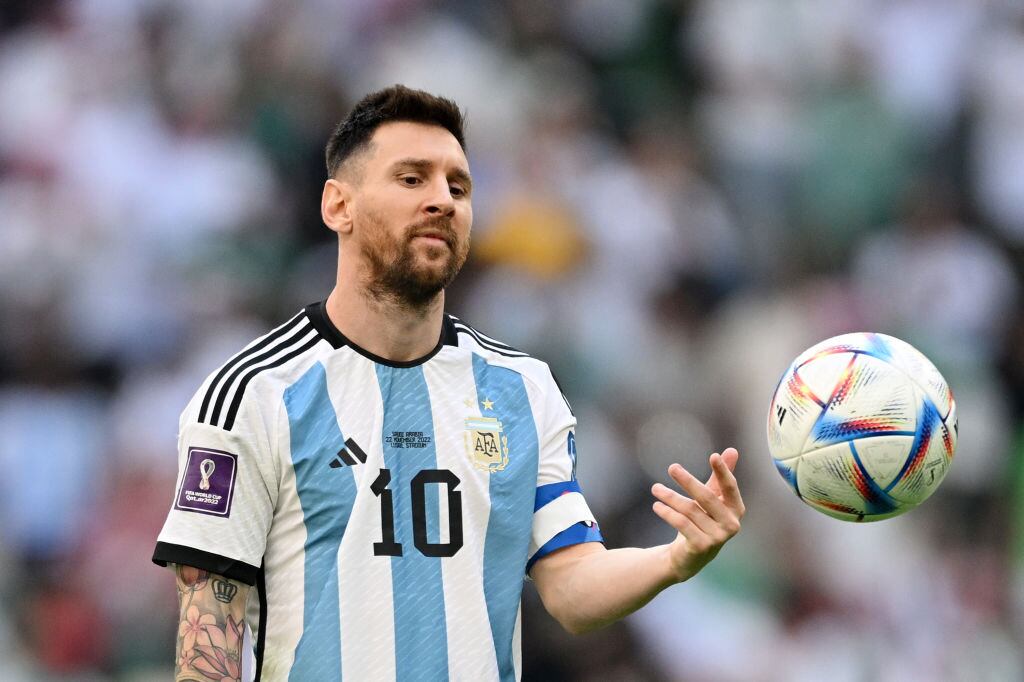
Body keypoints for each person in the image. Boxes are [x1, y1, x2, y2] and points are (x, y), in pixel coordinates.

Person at [153, 85, 745, 682]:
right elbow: (209, 641)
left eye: (457, 186)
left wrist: (675, 559)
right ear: (339, 206)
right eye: (412, 179)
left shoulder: (523, 391)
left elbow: (570, 589)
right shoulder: (253, 393)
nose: (442, 199)